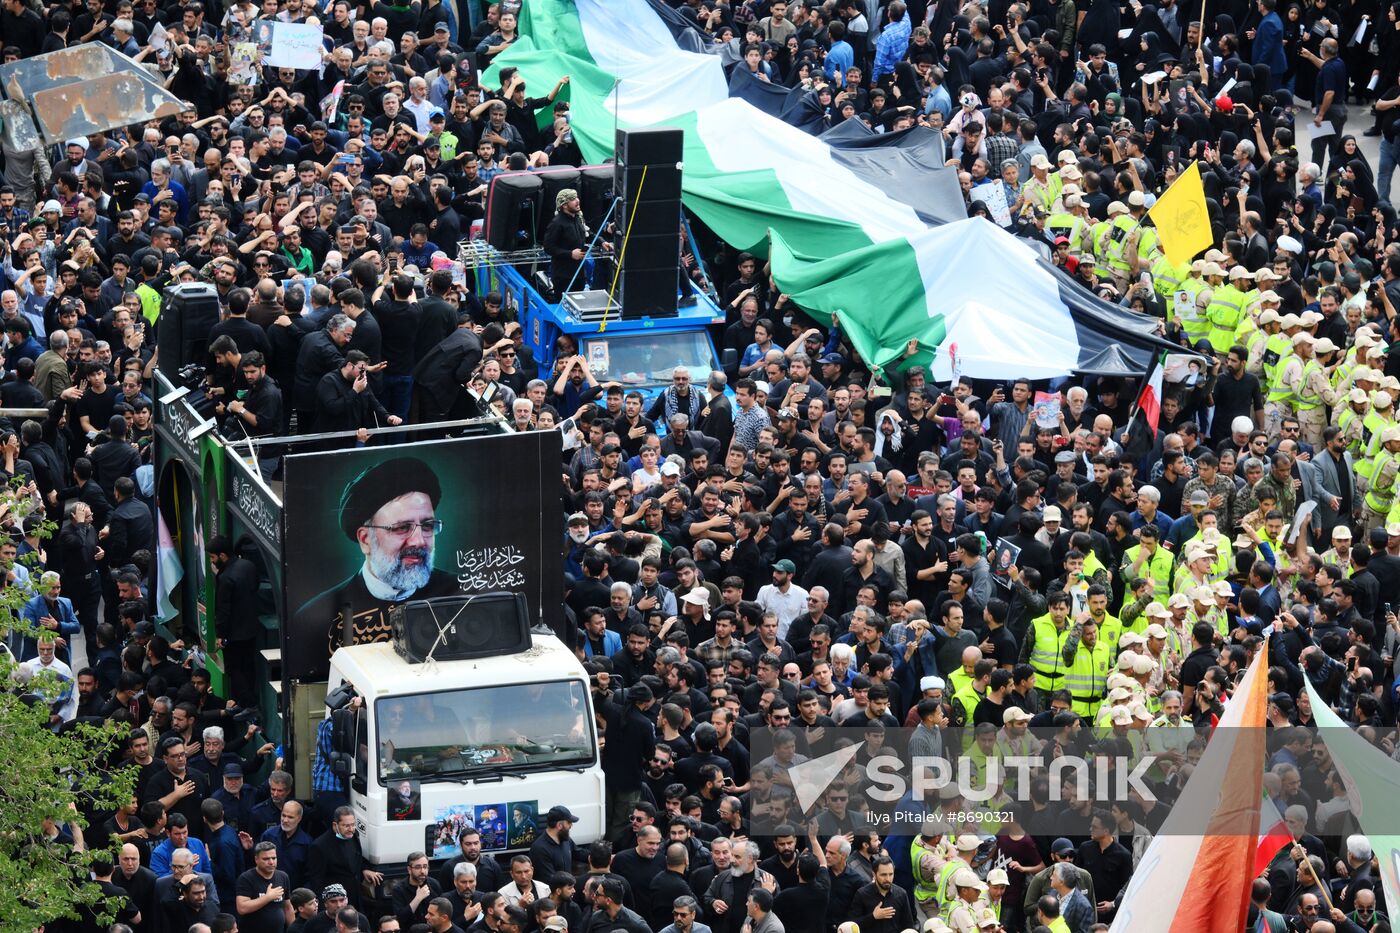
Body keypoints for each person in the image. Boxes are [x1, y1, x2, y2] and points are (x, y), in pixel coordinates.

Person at [293, 456, 463, 655]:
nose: (419, 541)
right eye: (402, 528)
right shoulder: (317, 616)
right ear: (366, 540)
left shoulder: (461, 595)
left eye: (427, 526)